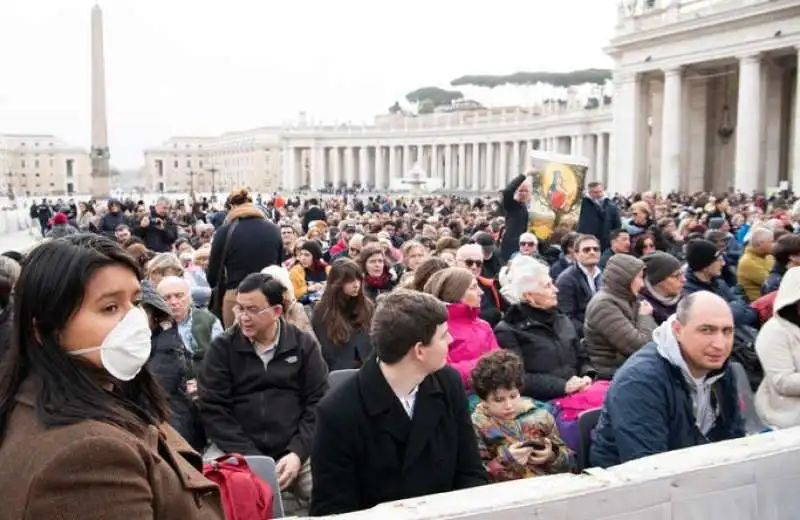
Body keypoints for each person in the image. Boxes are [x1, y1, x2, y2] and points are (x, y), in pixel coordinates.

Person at [0, 235, 224, 519]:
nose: (136, 320)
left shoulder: (92, 395)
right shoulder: (86, 458)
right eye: (110, 307)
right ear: (45, 330)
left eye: (136, 302)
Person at [310, 289, 487, 516]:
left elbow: (471, 472)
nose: (451, 340)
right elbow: (333, 509)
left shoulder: (448, 383)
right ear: (419, 350)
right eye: (443, 335)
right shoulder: (339, 412)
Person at [197, 272, 328, 501]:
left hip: (296, 447)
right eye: (240, 308)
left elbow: (318, 402)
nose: (243, 317)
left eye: (253, 310)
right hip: (237, 448)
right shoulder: (222, 349)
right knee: (211, 495)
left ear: (277, 311)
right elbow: (214, 410)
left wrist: (297, 452)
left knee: (331, 488)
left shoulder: (302, 344)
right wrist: (250, 458)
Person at [590, 292, 745, 468]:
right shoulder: (639, 382)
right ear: (678, 331)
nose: (719, 344)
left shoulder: (721, 369)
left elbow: (734, 438)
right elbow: (648, 468)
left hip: (697, 472)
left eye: (727, 331)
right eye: (706, 330)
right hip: (629, 485)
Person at [471, 350, 573, 482]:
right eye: (499, 400)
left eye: (513, 396)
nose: (508, 405)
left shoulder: (540, 415)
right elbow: (477, 477)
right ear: (483, 400)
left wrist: (552, 455)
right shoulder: (477, 425)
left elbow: (570, 460)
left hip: (548, 486)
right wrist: (506, 459)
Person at [207, 188, 284, 328]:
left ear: (231, 207)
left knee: (236, 345)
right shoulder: (273, 229)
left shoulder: (224, 232)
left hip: (236, 298)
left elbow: (212, 276)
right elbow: (278, 266)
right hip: (267, 297)